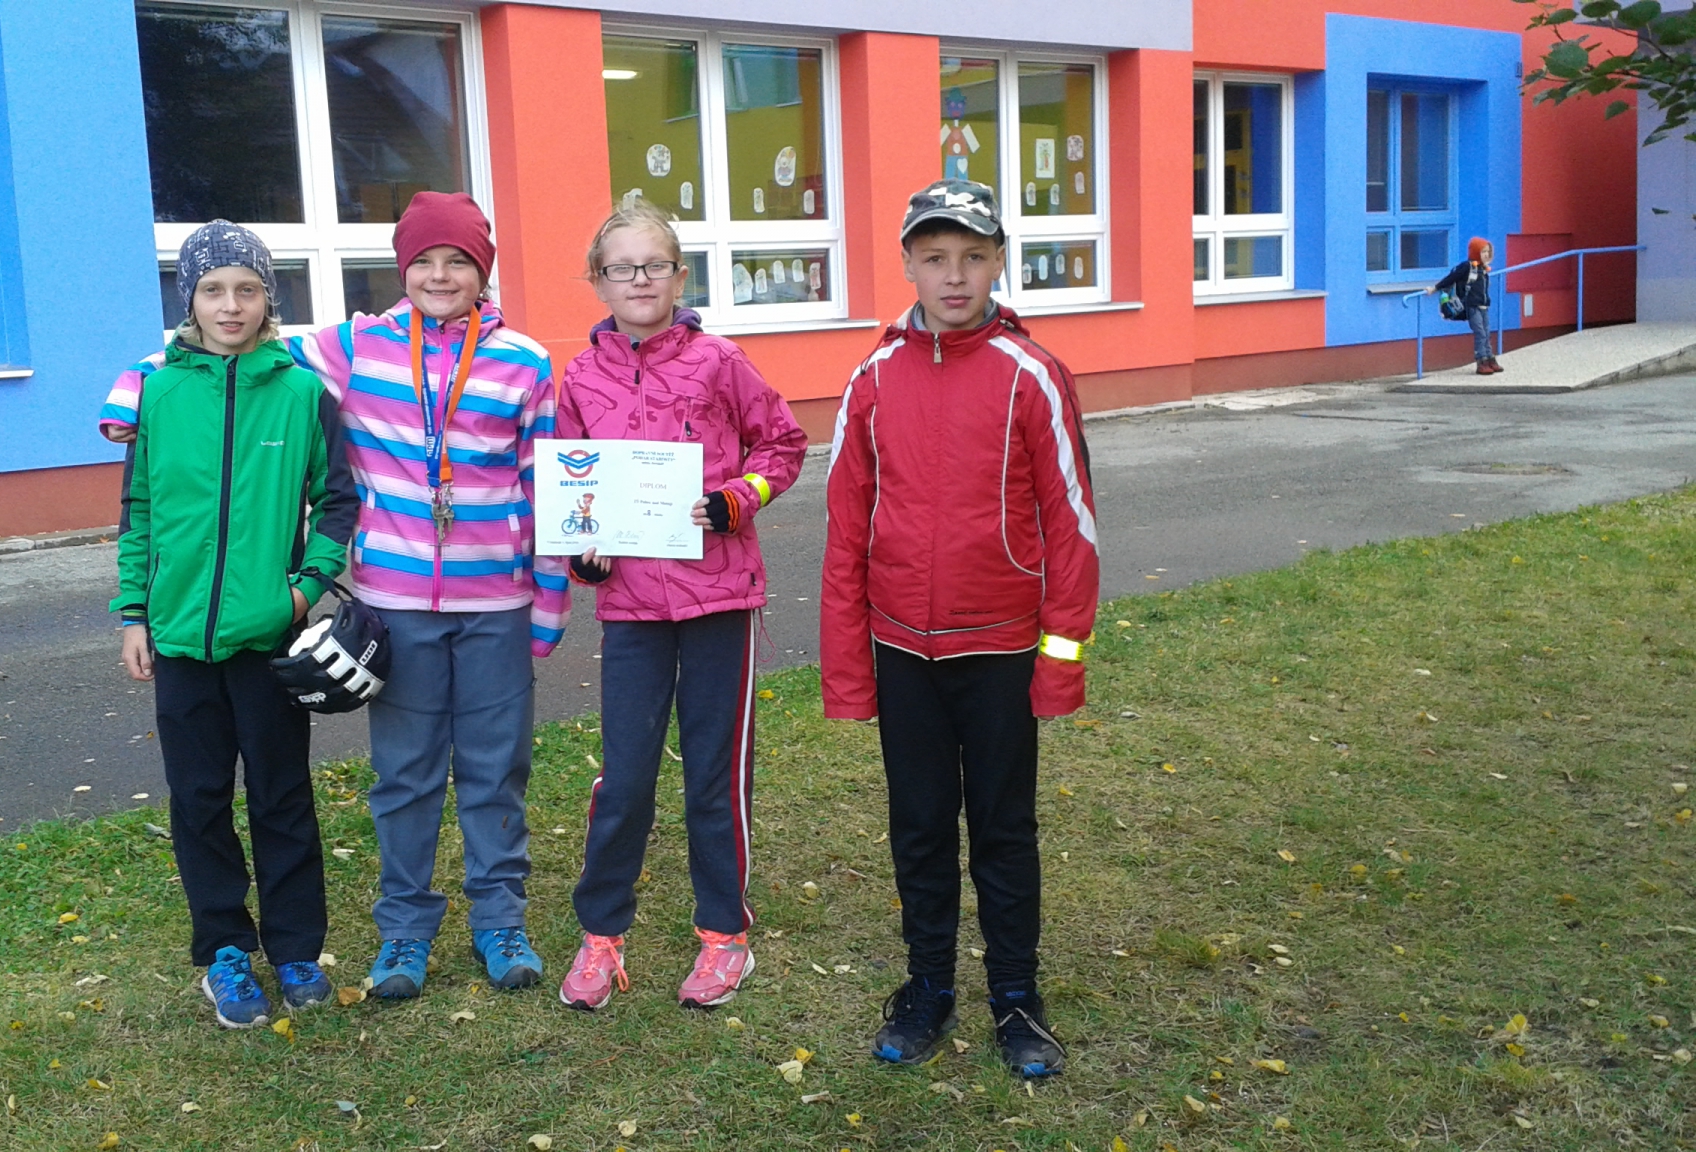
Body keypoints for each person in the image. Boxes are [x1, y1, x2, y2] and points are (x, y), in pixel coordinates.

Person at [100, 192, 570, 999]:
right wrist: (131, 385)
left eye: (459, 261)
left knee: (497, 771)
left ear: (483, 271)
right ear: (402, 268)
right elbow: (230, 348)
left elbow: (548, 484)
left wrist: (550, 603)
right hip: (394, 602)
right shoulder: (355, 346)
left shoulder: (525, 362)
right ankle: (404, 932)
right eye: (424, 261)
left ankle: (499, 921)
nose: (440, 275)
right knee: (405, 775)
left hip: (497, 600)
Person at [821, 180, 1099, 1077]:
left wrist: (1059, 662)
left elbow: (1073, 528)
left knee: (1005, 831)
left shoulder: (1032, 375)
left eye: (973, 257)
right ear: (907, 264)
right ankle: (928, 986)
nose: (954, 276)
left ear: (998, 264)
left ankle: (1016, 997)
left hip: (1002, 652)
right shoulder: (872, 380)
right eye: (935, 257)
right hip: (904, 653)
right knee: (919, 828)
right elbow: (844, 535)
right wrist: (848, 673)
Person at [553, 196, 807, 1011]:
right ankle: (601, 934)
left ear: (679, 275)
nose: (638, 280)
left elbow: (784, 444)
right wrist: (585, 553)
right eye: (621, 268)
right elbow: (574, 490)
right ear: (598, 281)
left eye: (653, 266)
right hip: (631, 608)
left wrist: (739, 498)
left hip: (718, 600)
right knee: (624, 778)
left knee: (714, 776)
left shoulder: (719, 361)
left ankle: (724, 936)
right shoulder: (579, 377)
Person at [111, 220, 357, 1028]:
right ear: (189, 300)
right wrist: (135, 613)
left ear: (267, 299)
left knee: (282, 795)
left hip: (267, 637)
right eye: (213, 289)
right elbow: (138, 511)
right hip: (180, 637)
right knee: (199, 797)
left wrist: (302, 593)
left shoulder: (299, 392)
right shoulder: (158, 393)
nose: (230, 305)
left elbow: (338, 502)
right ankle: (224, 948)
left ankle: (295, 948)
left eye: (247, 289)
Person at [1437, 238, 1501, 375]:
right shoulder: (1468, 267)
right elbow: (1452, 277)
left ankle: (1490, 358)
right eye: (1483, 251)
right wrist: (1436, 287)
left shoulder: (1482, 269)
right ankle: (1481, 361)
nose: (1486, 254)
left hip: (1483, 306)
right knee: (1480, 333)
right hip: (1472, 306)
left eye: (1488, 252)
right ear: (1476, 252)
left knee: (1486, 332)